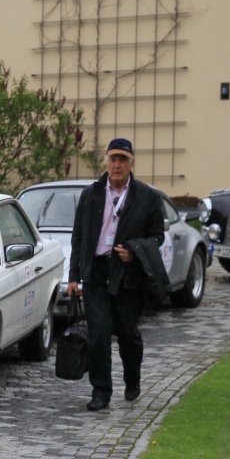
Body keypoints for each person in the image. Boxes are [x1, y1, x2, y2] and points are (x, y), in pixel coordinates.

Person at [67, 137, 167, 411]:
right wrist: (74, 276)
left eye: (123, 159)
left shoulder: (147, 197)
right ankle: (101, 391)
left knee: (127, 333)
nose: (117, 165)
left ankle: (132, 379)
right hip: (97, 273)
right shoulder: (91, 194)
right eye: (113, 159)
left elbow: (157, 236)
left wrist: (135, 250)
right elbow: (78, 237)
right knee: (99, 335)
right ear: (107, 161)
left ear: (132, 163)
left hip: (128, 274)